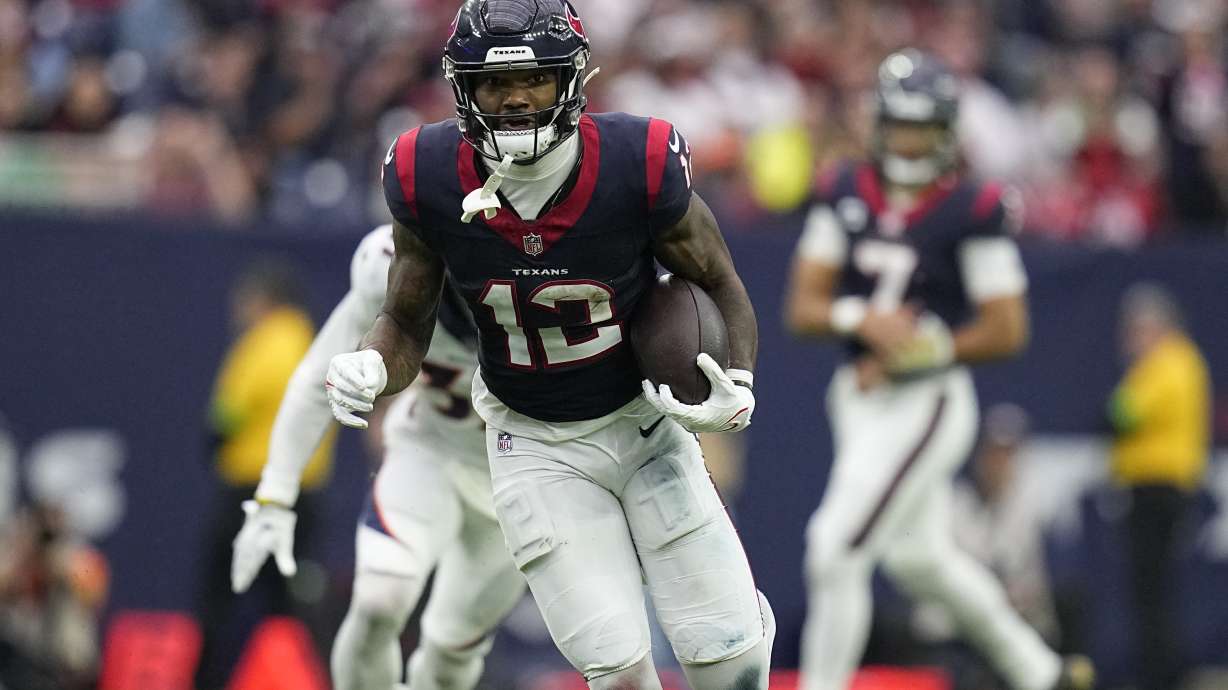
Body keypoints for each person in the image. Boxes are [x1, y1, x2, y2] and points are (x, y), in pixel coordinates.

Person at [325, 2, 775, 688]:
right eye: (491, 83)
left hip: (646, 427)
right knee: (619, 673)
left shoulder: (640, 159)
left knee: (732, 666)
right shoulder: (427, 171)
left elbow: (718, 280)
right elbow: (406, 321)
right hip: (534, 445)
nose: (511, 98)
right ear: (460, 87)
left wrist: (735, 380)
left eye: (533, 79)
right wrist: (372, 363)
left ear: (569, 78)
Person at [784, 50, 1093, 690]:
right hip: (858, 396)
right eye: (899, 124)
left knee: (835, 548)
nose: (908, 139)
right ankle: (1042, 673)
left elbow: (1007, 328)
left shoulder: (971, 208)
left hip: (927, 399)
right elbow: (802, 307)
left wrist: (919, 350)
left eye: (922, 127)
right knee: (921, 561)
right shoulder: (843, 187)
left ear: (947, 130)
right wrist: (860, 320)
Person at [229, 225, 526, 690]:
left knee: (450, 656)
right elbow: (316, 376)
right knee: (379, 602)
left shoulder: (567, 271)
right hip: (430, 449)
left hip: (521, 477)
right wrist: (275, 494)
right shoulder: (389, 265)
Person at [197, 259, 335, 690]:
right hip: (303, 496)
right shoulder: (313, 344)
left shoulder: (262, 345)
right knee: (295, 604)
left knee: (219, 601)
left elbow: (224, 419)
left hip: (251, 493)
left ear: (264, 301)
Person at [1108, 283, 1210, 690]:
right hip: (1161, 487)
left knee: (1152, 589)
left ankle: (1161, 675)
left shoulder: (1169, 362)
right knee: (1154, 588)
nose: (1131, 338)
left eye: (1138, 329)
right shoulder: (1176, 361)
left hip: (1157, 488)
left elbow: (1122, 414)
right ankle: (1161, 671)